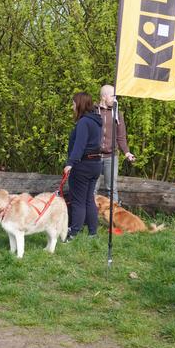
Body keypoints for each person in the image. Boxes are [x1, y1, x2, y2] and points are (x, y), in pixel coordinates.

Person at [63, 92, 103, 241]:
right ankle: (92, 233)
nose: (72, 107)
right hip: (95, 164)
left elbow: (79, 146)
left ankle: (73, 233)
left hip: (83, 165)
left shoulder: (83, 122)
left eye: (73, 103)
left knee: (78, 201)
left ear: (79, 104)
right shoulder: (96, 121)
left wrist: (70, 163)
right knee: (89, 199)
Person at [95, 85, 135, 204]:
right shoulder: (93, 111)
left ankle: (114, 219)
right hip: (94, 157)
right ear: (103, 96)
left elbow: (121, 137)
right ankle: (90, 218)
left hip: (111, 157)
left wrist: (127, 152)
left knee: (111, 189)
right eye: (113, 96)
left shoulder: (118, 114)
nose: (115, 99)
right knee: (92, 188)